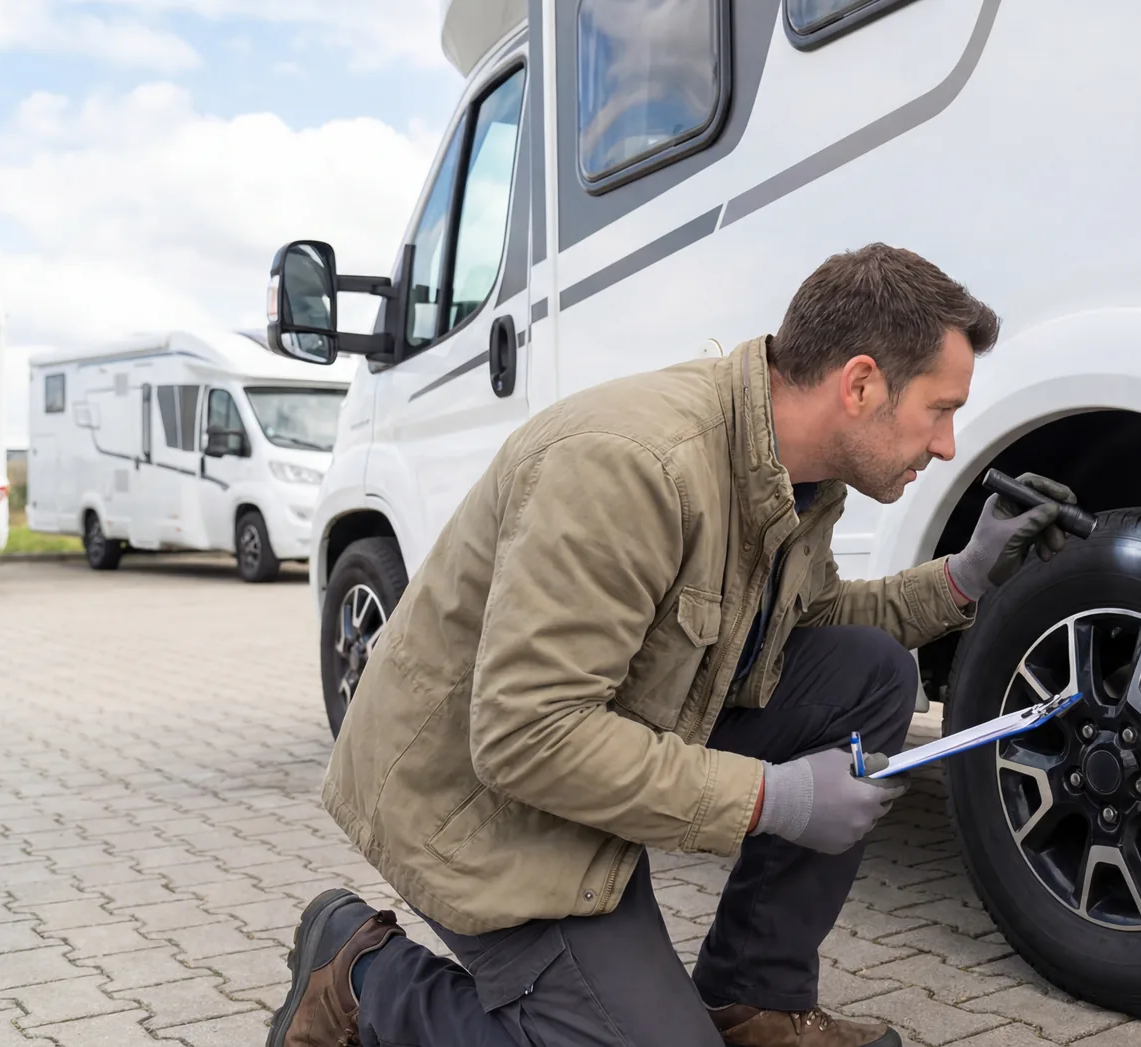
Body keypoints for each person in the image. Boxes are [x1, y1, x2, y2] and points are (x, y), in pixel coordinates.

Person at [266, 244, 1080, 1047]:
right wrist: (776, 797)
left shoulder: (799, 472)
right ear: (861, 384)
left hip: (599, 742)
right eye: (940, 410)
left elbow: (818, 620)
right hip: (479, 800)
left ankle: (753, 999)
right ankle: (360, 977)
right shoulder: (633, 467)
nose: (947, 445)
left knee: (867, 675)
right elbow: (524, 737)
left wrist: (965, 578)